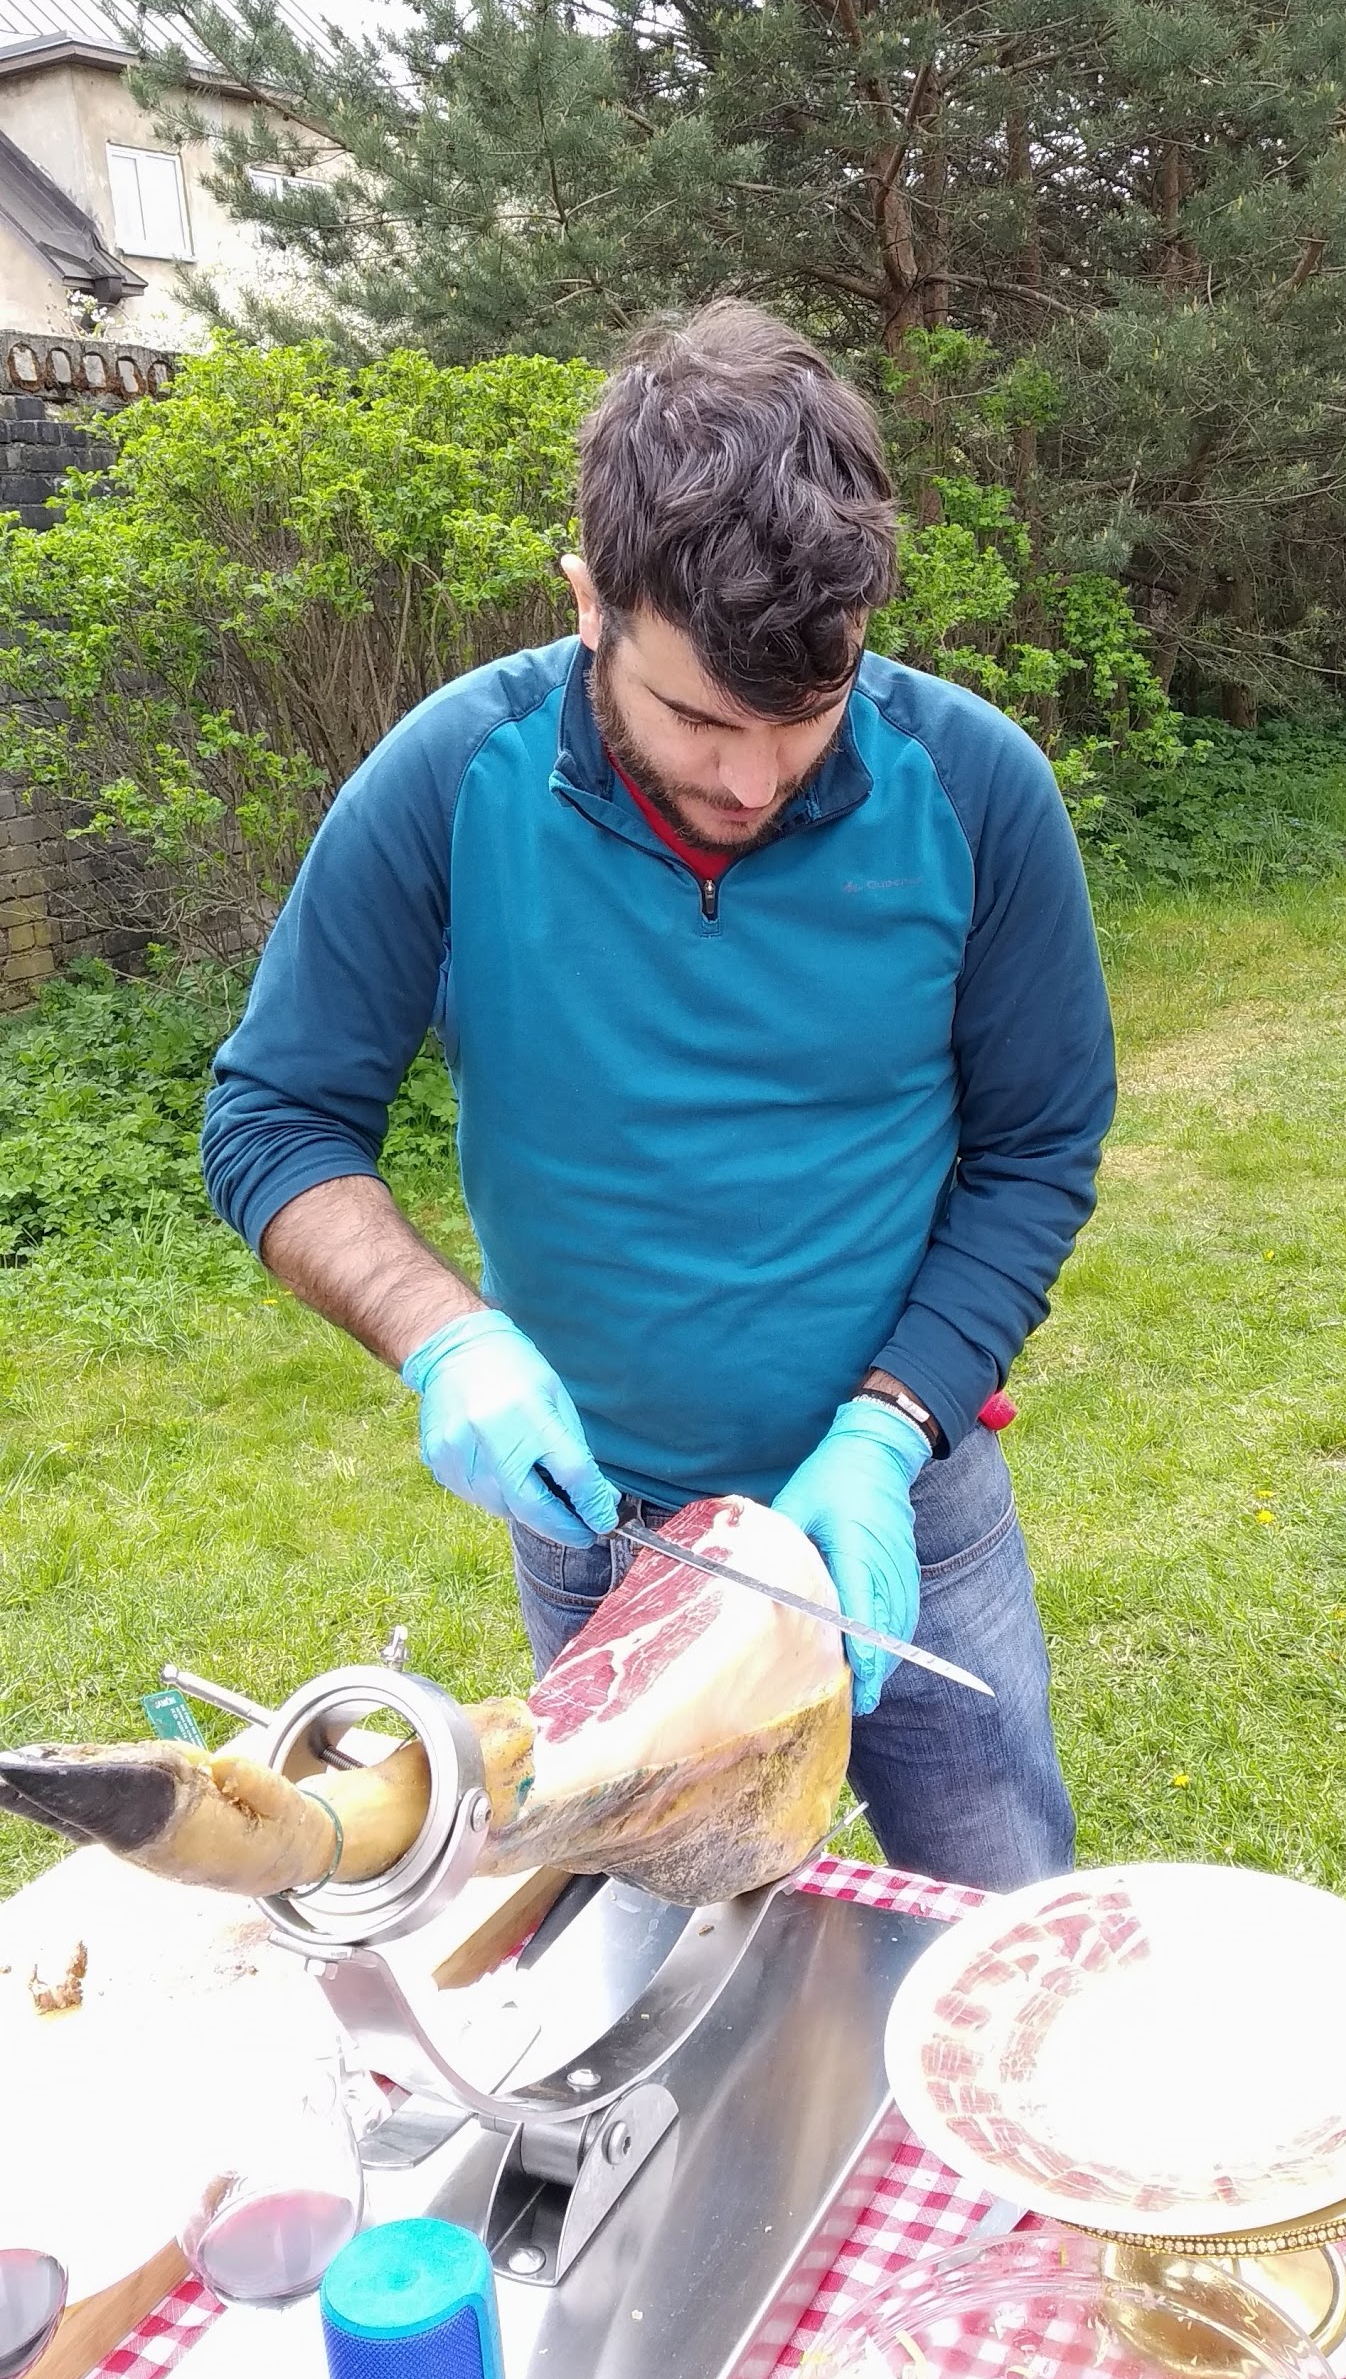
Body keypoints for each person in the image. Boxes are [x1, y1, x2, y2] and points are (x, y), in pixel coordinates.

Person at [201, 300, 1116, 1893]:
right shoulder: (450, 780)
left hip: (899, 1501)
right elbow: (274, 1118)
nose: (754, 780)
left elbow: (1038, 1151)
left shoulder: (974, 790)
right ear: (587, 604)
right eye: (702, 717)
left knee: (997, 1901)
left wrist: (890, 1434)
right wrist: (449, 1339)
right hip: (602, 1524)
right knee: (664, 1935)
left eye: (803, 719)